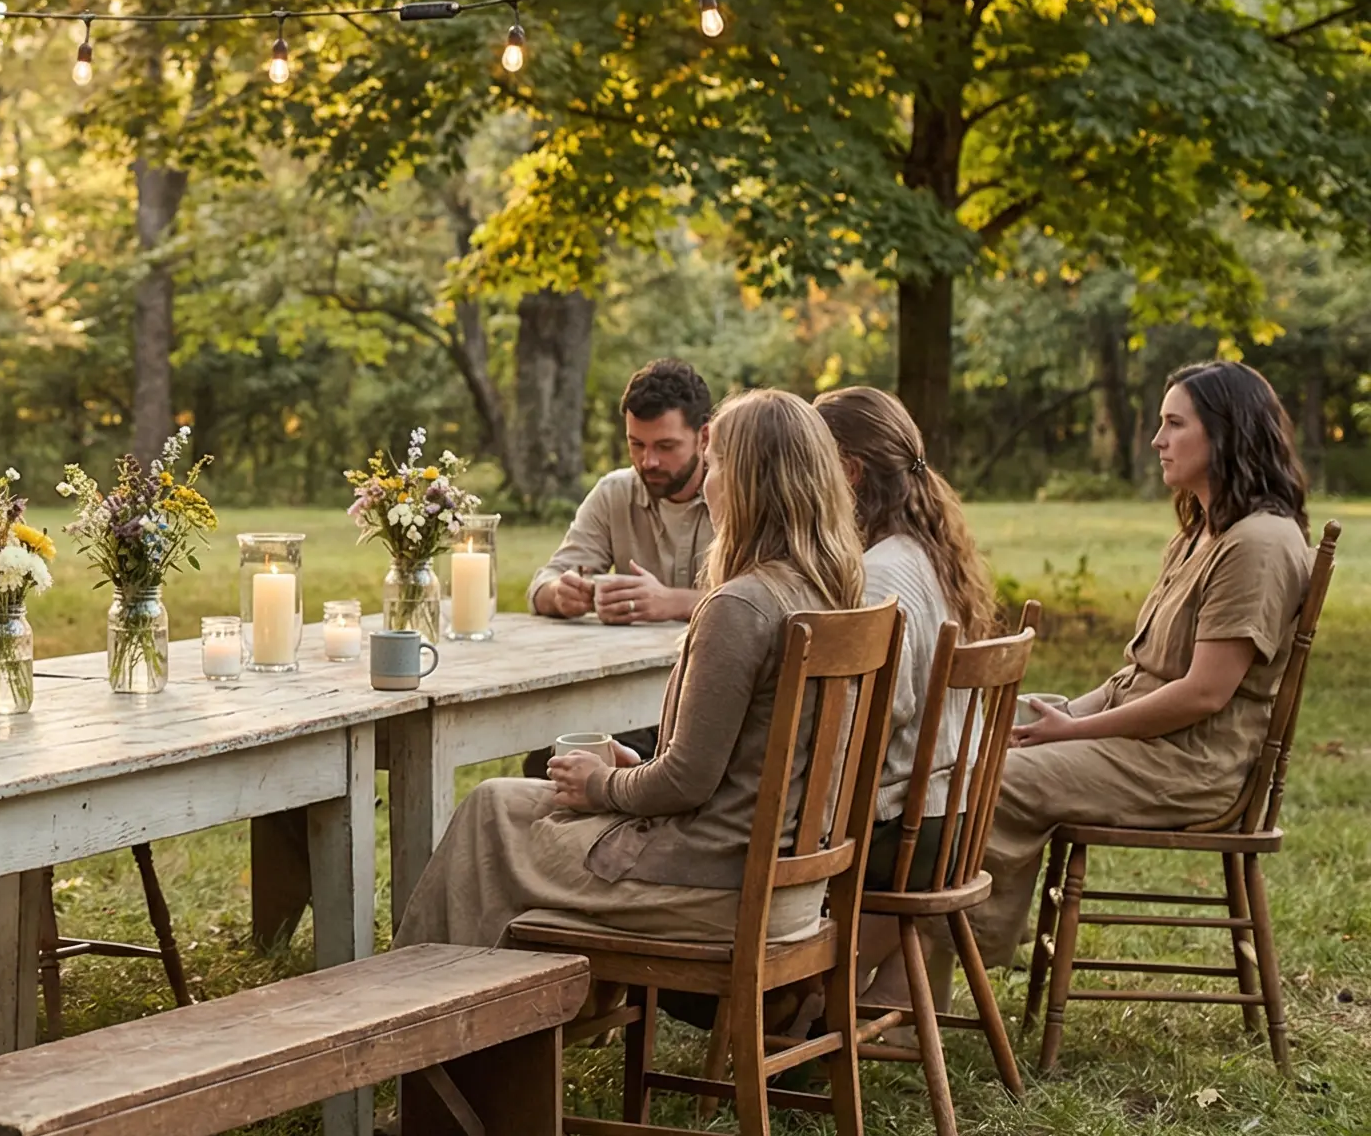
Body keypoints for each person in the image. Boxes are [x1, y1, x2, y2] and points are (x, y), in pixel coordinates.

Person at [398, 388, 865, 954]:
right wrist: (635, 768)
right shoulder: (828, 595)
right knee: (499, 800)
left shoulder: (740, 607)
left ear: (745, 482)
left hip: (713, 883)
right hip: (790, 880)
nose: (708, 481)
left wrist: (602, 784)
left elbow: (685, 783)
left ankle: (432, 1011)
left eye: (715, 466)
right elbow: (734, 768)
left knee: (489, 827)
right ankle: (507, 1015)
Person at [969, 361, 1316, 966]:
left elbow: (1203, 695)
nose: (1157, 440)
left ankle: (933, 959)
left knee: (995, 778)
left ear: (1225, 433)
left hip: (1190, 764)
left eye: (1174, 424)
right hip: (1151, 741)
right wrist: (1056, 714)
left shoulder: (1258, 544)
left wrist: (1071, 732)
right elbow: (1142, 674)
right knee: (973, 731)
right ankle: (931, 942)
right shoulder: (1202, 531)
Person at [815, 384, 997, 1006]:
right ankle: (884, 1000)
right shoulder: (931, 551)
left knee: (759, 826)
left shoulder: (884, 575)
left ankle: (792, 996)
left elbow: (869, 718)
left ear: (848, 472)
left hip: (906, 834)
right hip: (955, 817)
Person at [530, 357, 718, 625]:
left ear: (705, 437)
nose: (648, 461)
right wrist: (560, 595)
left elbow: (778, 598)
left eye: (665, 446)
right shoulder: (614, 493)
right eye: (637, 444)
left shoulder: (741, 495)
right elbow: (542, 585)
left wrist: (673, 603)